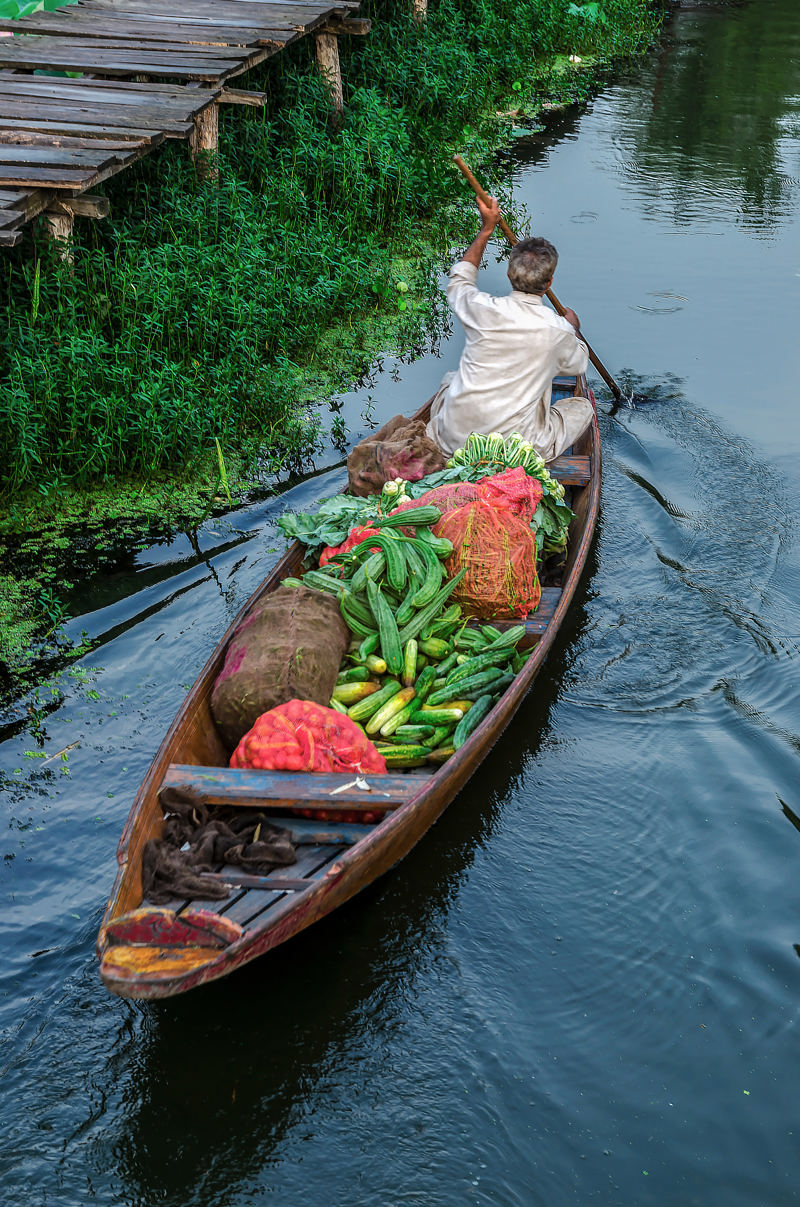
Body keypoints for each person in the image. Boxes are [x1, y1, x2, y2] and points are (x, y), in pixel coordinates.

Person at [427, 194, 595, 462]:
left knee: (449, 380)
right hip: (513, 451)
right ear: (549, 282)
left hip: (452, 443)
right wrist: (573, 329)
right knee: (582, 407)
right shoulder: (557, 330)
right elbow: (577, 366)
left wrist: (486, 229)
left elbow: (460, 279)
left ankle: (451, 439)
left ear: (509, 274)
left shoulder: (481, 307)